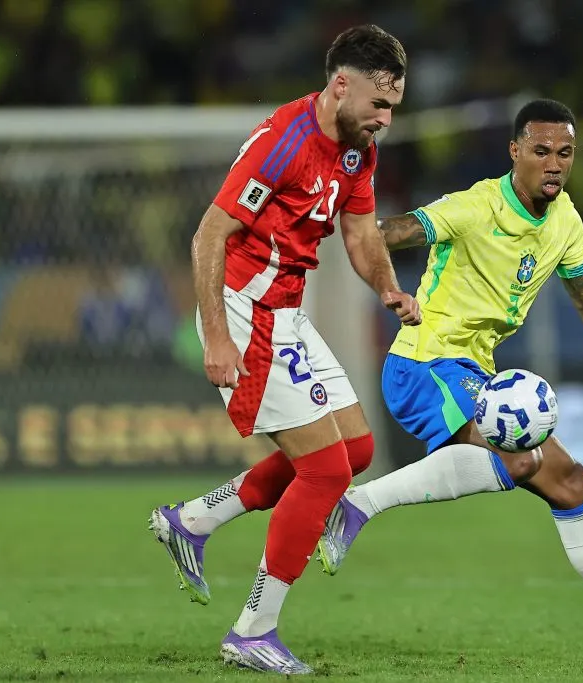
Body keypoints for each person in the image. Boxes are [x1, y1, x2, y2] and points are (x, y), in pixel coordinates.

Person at [316, 99, 583, 666]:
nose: (553, 164)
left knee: (572, 484)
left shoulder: (565, 221)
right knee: (523, 460)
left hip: (472, 371)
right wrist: (357, 232)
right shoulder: (477, 205)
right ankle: (357, 506)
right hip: (424, 364)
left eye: (565, 153)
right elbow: (390, 232)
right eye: (540, 151)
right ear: (515, 152)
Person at [147, 24, 420, 675]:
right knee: (325, 471)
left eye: (393, 109)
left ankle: (193, 521)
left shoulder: (357, 150)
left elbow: (358, 232)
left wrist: (388, 288)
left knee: (355, 451)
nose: (385, 120)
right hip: (245, 314)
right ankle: (253, 629)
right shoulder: (284, 144)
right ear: (340, 84)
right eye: (378, 106)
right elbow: (209, 235)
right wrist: (215, 334)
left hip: (286, 313)